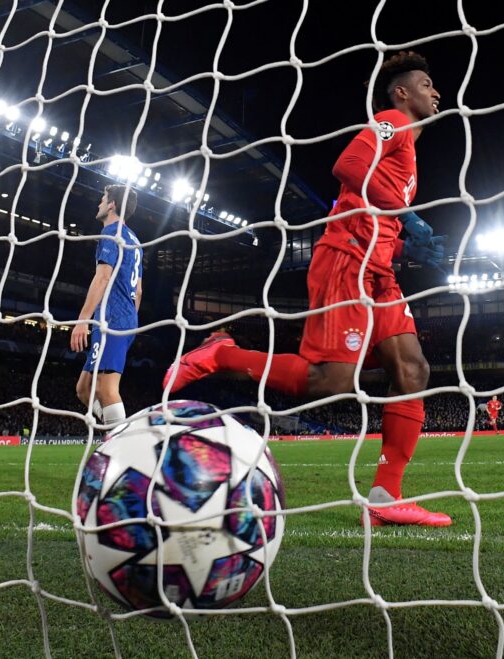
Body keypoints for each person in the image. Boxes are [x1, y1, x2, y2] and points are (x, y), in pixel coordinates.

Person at [162, 52, 449, 527]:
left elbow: (369, 207)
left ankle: (385, 496)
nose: (436, 92)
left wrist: (403, 247)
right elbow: (348, 165)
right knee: (331, 383)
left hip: (378, 271)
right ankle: (221, 353)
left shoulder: (409, 151)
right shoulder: (391, 120)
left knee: (413, 368)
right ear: (402, 92)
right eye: (426, 83)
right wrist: (409, 217)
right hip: (345, 262)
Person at [72, 185, 142, 428]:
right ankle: (114, 431)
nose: (99, 204)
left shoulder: (112, 233)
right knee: (84, 389)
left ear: (111, 205)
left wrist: (83, 320)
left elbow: (102, 277)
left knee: (105, 388)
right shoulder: (134, 240)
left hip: (112, 317)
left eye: (102, 199)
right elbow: (139, 291)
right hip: (125, 317)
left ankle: (122, 447)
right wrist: (130, 320)